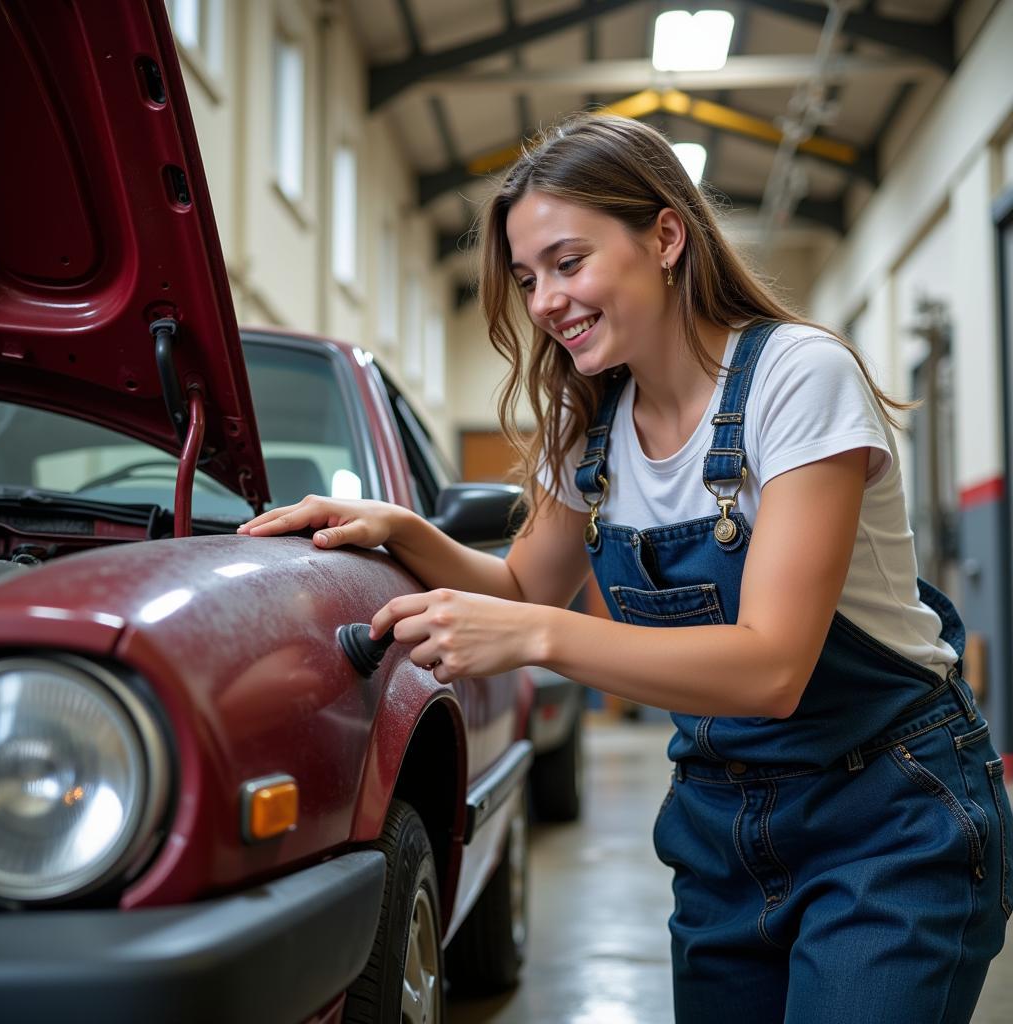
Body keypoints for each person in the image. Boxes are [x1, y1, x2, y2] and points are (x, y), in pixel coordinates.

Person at [238, 113, 1012, 1023]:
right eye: (528, 279)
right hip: (720, 834)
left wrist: (535, 638)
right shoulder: (595, 431)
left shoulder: (797, 377)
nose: (544, 302)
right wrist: (400, 530)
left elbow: (771, 666)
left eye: (569, 263)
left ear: (667, 236)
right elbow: (526, 585)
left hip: (887, 816)